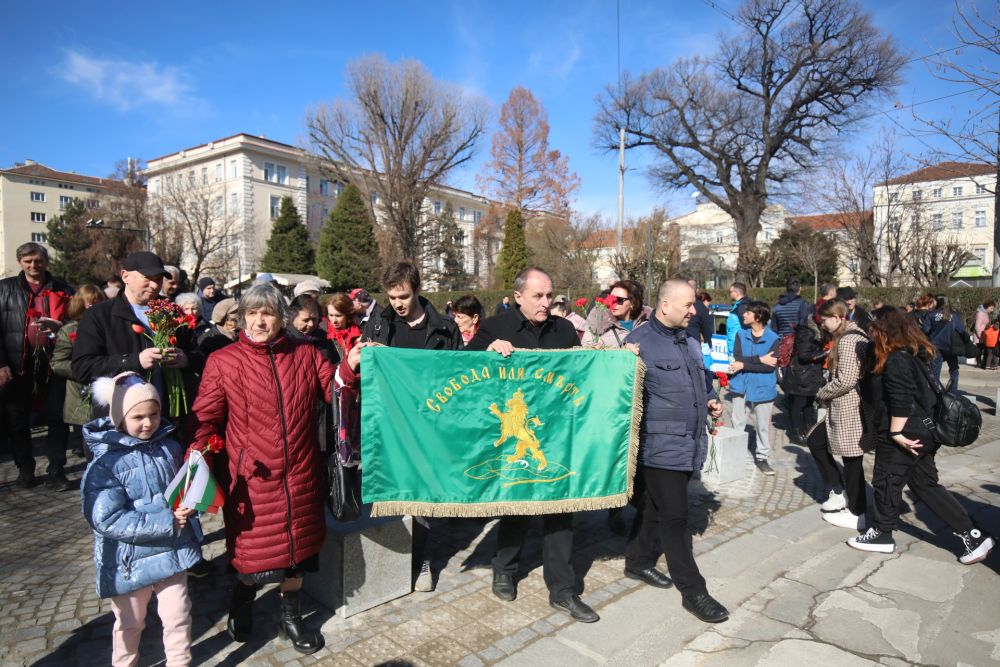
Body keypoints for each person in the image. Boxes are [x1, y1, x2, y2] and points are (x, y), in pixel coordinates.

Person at [189, 283, 333, 654]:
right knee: (251, 557)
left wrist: (352, 367)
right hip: (252, 480)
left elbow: (335, 390)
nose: (258, 321)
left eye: (266, 313)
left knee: (298, 555)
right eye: (250, 314)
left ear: (281, 318)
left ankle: (290, 617)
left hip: (300, 474)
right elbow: (205, 418)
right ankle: (242, 600)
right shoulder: (224, 362)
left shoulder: (306, 353)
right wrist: (195, 462)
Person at [467, 267, 600, 624]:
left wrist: (615, 358)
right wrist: (487, 351)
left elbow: (583, 375)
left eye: (550, 297)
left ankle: (562, 589)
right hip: (515, 430)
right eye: (538, 297)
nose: (546, 303)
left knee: (561, 513)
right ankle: (505, 568)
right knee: (517, 507)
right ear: (519, 297)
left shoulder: (566, 329)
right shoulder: (497, 328)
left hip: (556, 434)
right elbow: (463, 372)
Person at [339, 262, 460, 593]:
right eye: (392, 297)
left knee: (418, 495)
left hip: (427, 425)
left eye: (404, 296)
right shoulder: (378, 324)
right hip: (388, 424)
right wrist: (361, 356)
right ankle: (388, 562)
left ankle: (421, 560)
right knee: (388, 492)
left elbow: (458, 378)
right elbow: (360, 374)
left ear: (417, 290)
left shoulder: (446, 328)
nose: (398, 304)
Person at [848, 309, 995, 564]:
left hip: (906, 432)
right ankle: (973, 535)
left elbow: (901, 400)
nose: (871, 333)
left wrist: (895, 432)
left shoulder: (896, 359)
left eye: (874, 329)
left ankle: (882, 534)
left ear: (886, 330)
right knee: (925, 485)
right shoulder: (912, 354)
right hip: (923, 430)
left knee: (887, 481)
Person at [624, 279, 729, 623]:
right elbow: (621, 397)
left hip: (689, 443)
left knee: (655, 507)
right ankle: (693, 590)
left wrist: (711, 400)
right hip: (659, 446)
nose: (694, 310)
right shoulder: (638, 343)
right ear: (665, 305)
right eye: (687, 305)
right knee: (676, 517)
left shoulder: (688, 340)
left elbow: (702, 382)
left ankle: (638, 562)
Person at [82, 372, 201, 667]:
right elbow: (106, 518)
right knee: (129, 624)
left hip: (172, 553)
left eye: (154, 414)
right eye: (138, 417)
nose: (148, 423)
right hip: (130, 561)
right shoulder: (106, 463)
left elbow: (179, 493)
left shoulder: (169, 449)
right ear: (120, 418)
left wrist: (190, 506)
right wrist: (167, 522)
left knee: (178, 616)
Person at [0, 242, 75, 489]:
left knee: (57, 419)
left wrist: (61, 328)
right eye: (28, 261)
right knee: (17, 420)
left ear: (46, 262)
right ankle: (25, 469)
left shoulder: (64, 289)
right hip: (17, 365)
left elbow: (78, 322)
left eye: (38, 261)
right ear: (20, 262)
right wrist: (1, 363)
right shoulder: (4, 289)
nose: (34, 265)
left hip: (54, 365)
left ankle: (56, 469)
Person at [811, 298, 872, 530]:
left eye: (824, 320)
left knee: (852, 460)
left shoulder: (848, 340)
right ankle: (842, 493)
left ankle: (857, 512)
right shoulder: (852, 335)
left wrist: (823, 392)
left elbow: (846, 379)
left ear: (837, 318)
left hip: (849, 407)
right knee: (817, 441)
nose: (822, 325)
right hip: (845, 406)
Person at [50, 285, 107, 462]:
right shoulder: (69, 331)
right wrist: (86, 370)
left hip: (107, 392)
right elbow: (57, 363)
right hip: (82, 394)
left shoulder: (108, 327)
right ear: (80, 305)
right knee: (89, 449)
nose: (95, 308)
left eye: (99, 304)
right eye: (91, 304)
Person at [728, 301, 780, 475]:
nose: (743, 314)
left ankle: (762, 458)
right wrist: (759, 359)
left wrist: (744, 364)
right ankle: (734, 455)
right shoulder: (740, 335)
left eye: (747, 312)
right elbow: (737, 358)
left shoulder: (773, 339)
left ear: (758, 317)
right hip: (739, 385)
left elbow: (769, 367)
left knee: (762, 426)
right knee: (737, 423)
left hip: (763, 387)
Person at [780, 313, 827, 445]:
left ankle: (809, 431)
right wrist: (824, 354)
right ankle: (796, 433)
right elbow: (804, 356)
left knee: (808, 404)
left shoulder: (816, 331)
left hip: (808, 374)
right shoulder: (807, 333)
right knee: (799, 404)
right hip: (801, 374)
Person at [583, 280, 651, 348]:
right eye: (611, 298)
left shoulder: (647, 323)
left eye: (619, 300)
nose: (613, 303)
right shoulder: (598, 322)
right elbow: (586, 348)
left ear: (632, 303)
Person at [922, 295, 965, 395]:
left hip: (935, 346)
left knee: (935, 372)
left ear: (937, 302)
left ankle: (936, 393)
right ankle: (952, 393)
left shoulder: (931, 314)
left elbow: (926, 330)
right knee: (954, 370)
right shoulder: (954, 316)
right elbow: (962, 330)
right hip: (951, 347)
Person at [685, 280, 714, 345]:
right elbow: (706, 330)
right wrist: (709, 343)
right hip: (693, 344)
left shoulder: (677, 303)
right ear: (697, 290)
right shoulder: (701, 307)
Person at [725, 282, 750, 357]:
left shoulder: (742, 306)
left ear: (736, 293)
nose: (730, 294)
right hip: (735, 345)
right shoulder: (738, 305)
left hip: (738, 348)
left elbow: (746, 327)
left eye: (730, 292)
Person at [973, 301, 996, 368]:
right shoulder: (980, 313)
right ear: (987, 307)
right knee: (979, 350)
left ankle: (983, 363)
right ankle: (979, 363)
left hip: (984, 334)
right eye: (991, 308)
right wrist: (980, 336)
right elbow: (977, 326)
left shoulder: (985, 313)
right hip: (979, 335)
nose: (992, 310)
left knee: (983, 349)